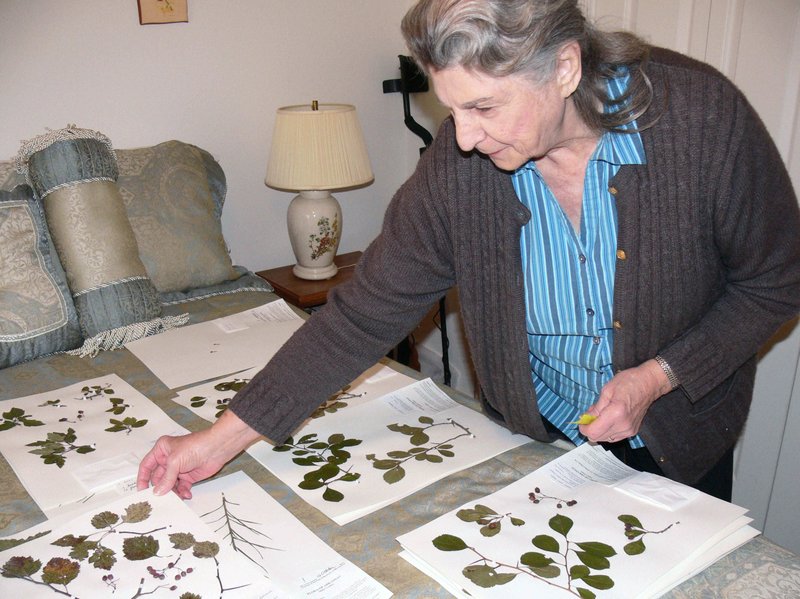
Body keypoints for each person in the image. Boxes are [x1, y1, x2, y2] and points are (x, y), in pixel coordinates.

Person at [138, 0, 800, 502]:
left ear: (565, 67)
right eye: (451, 110)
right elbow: (361, 315)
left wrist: (658, 374)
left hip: (682, 441)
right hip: (537, 439)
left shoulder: (702, 119)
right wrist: (218, 440)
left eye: (484, 107)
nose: (461, 140)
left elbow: (776, 280)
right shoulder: (460, 170)